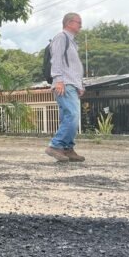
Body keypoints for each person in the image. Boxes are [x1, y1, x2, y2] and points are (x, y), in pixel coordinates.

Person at [45, 13, 86, 162]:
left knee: (68, 117)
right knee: (72, 116)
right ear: (69, 23)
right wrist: (59, 80)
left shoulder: (72, 42)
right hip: (64, 84)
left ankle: (67, 148)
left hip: (71, 85)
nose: (81, 25)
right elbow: (56, 59)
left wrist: (79, 85)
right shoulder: (61, 37)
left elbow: (73, 67)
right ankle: (56, 146)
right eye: (78, 22)